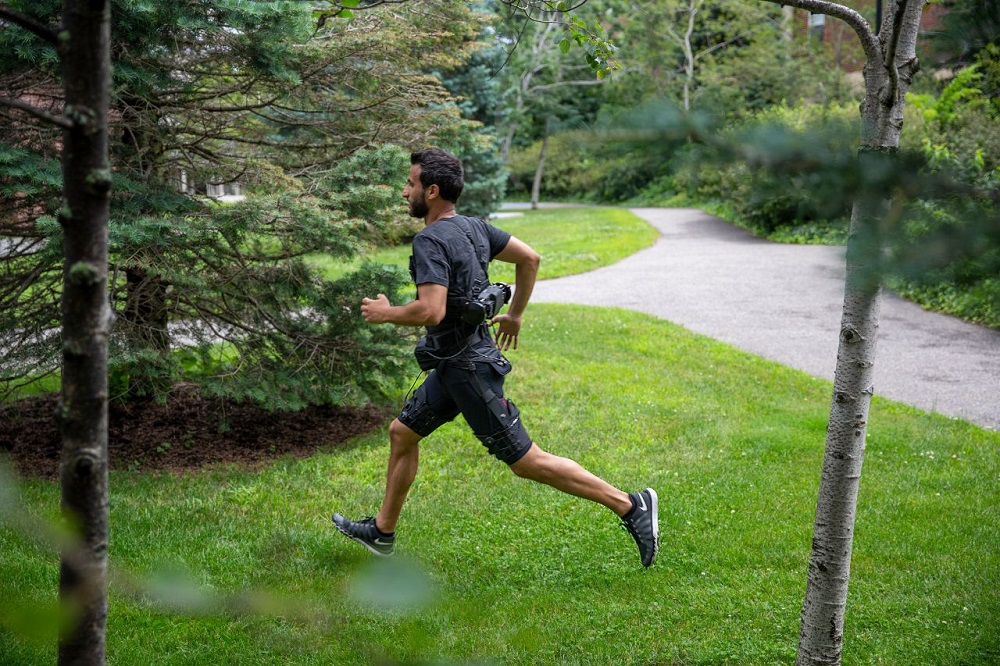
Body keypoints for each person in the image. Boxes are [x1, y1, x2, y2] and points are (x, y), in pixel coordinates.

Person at [332, 148, 659, 567]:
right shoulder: (473, 228)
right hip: (454, 363)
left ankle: (631, 506)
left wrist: (384, 313)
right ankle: (382, 531)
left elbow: (430, 310)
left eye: (410, 184)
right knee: (402, 433)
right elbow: (530, 258)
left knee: (525, 461)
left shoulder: (430, 240)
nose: (404, 191)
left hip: (469, 370)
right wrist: (516, 315)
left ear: (431, 192)